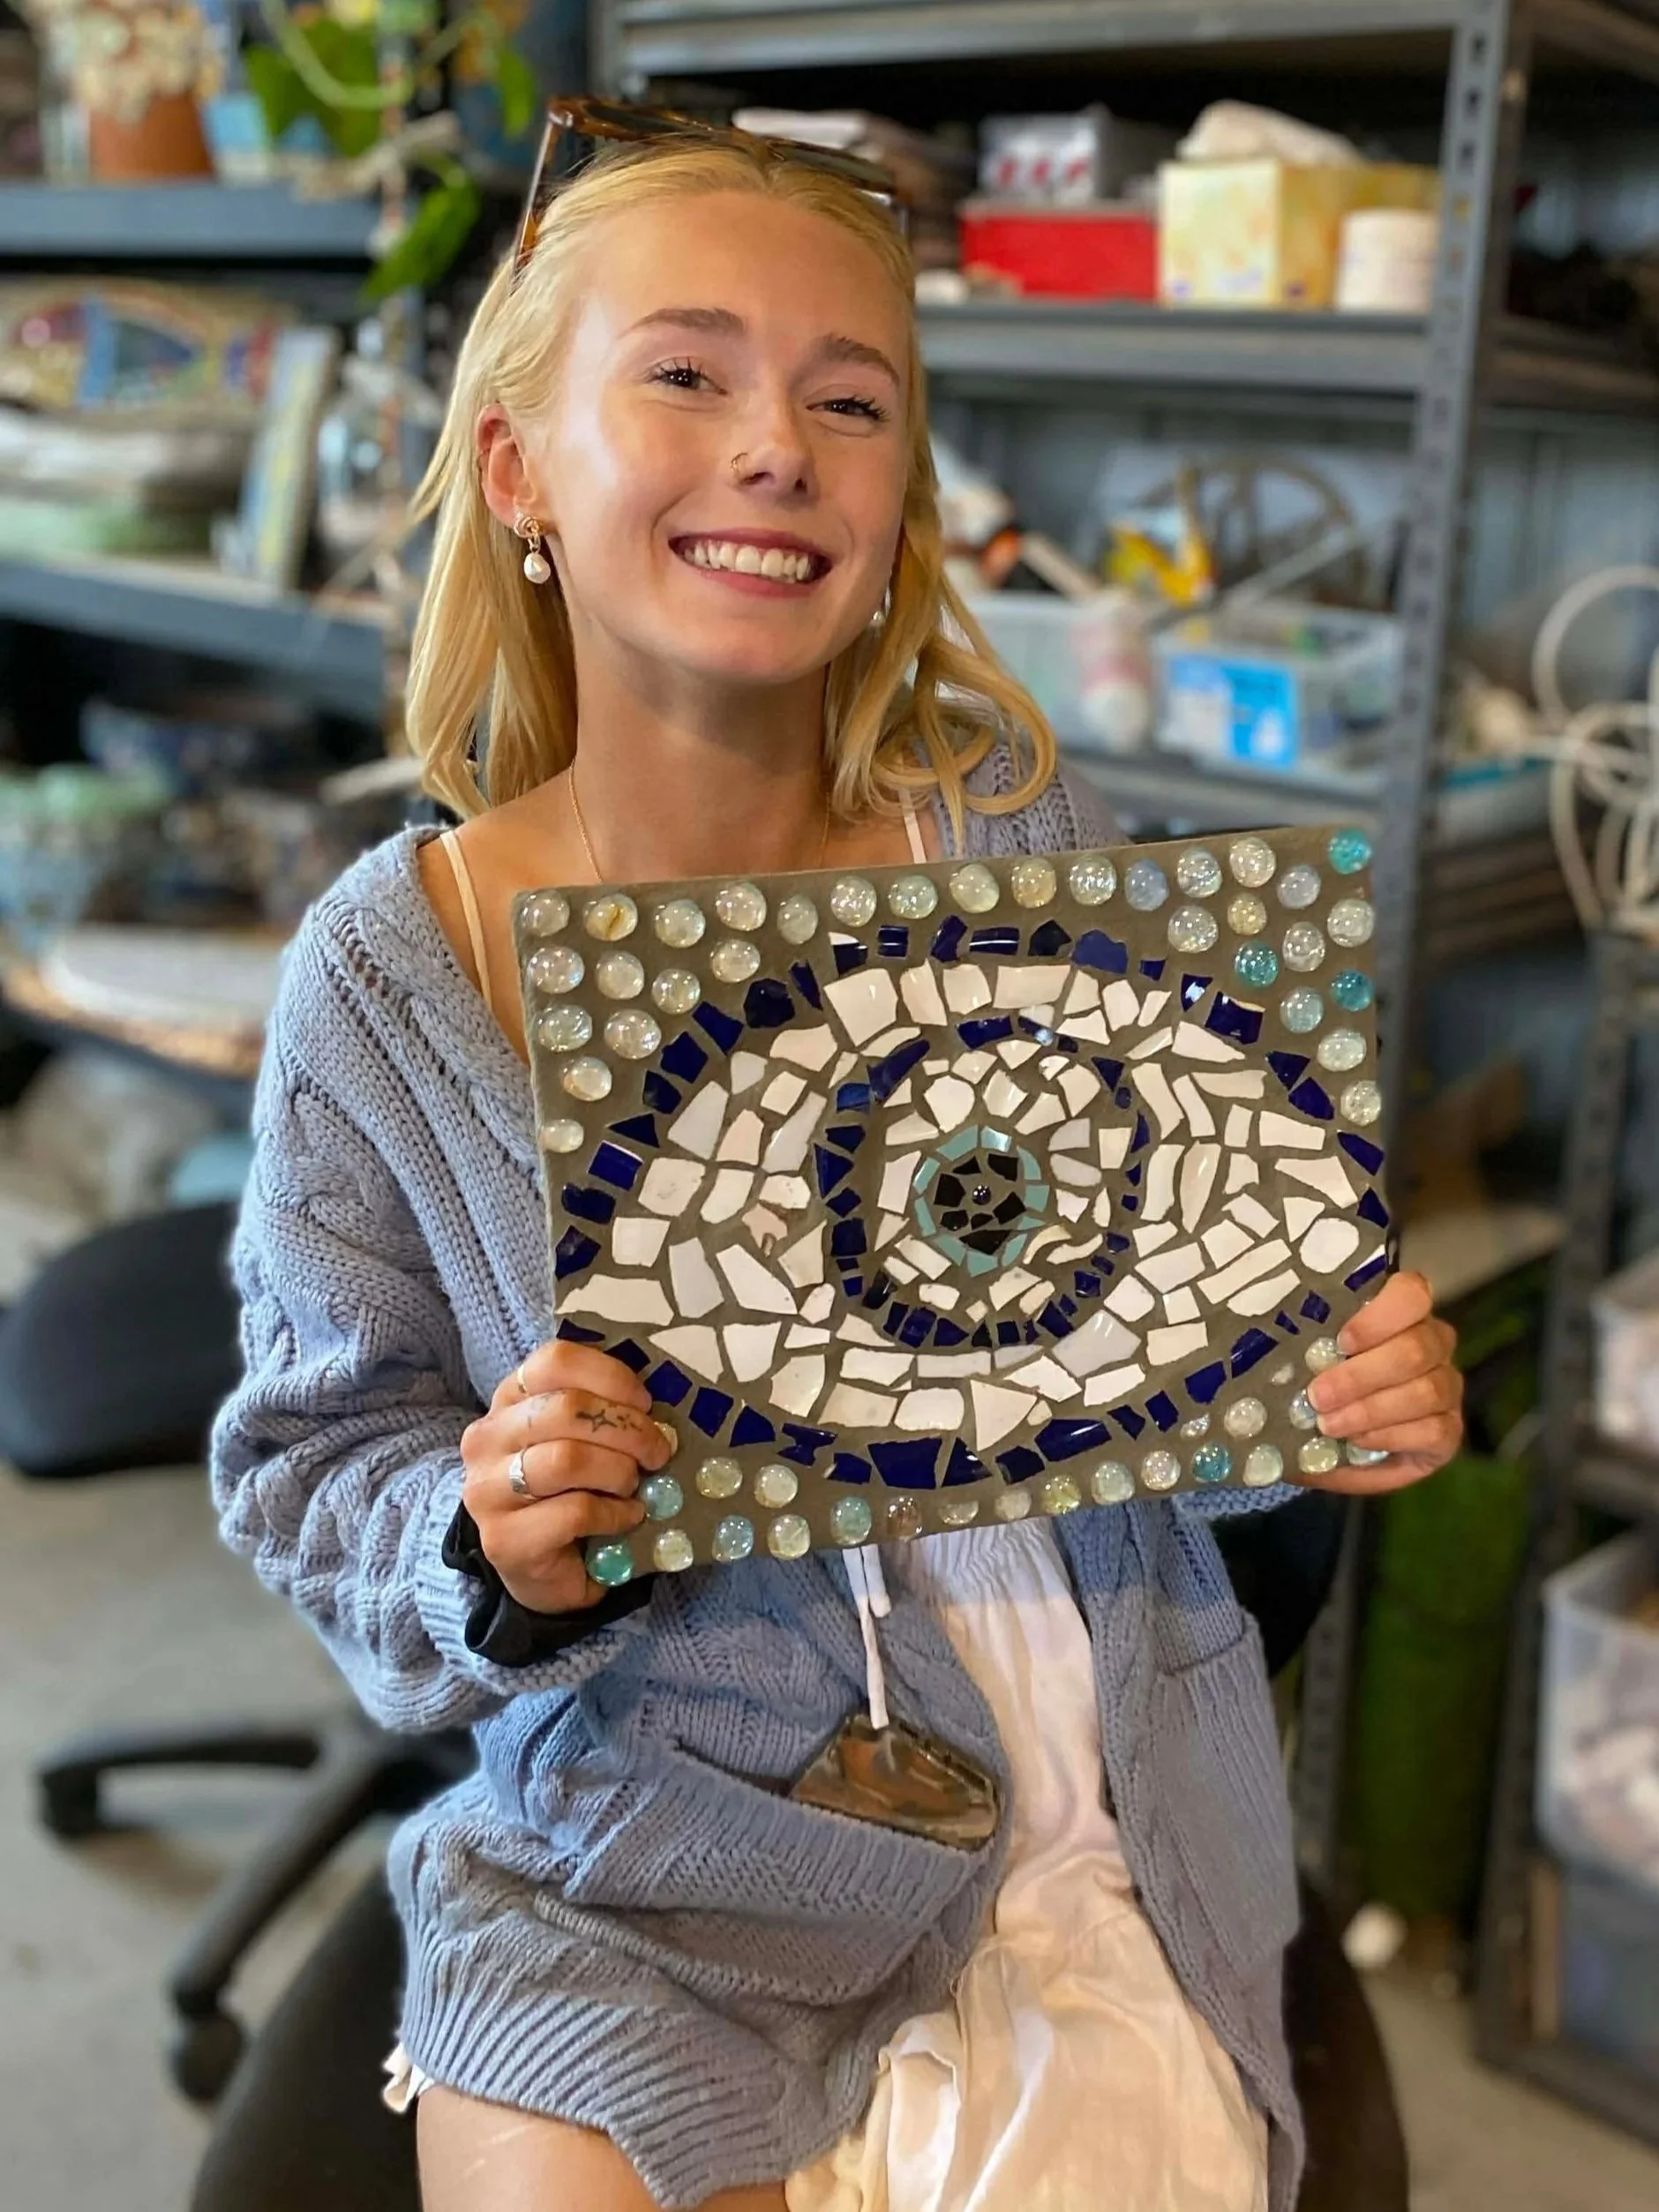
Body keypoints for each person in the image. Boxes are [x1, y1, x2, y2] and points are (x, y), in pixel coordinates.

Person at [211, 123, 1464, 2212]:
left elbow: (1182, 1340)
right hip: (653, 1840)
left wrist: (1320, 1388)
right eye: (683, 371)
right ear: (516, 467)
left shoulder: (1012, 837)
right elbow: (310, 1457)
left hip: (1094, 1787)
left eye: (850, 398)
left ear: (901, 503)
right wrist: (484, 1534)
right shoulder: (393, 972)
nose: (776, 446)